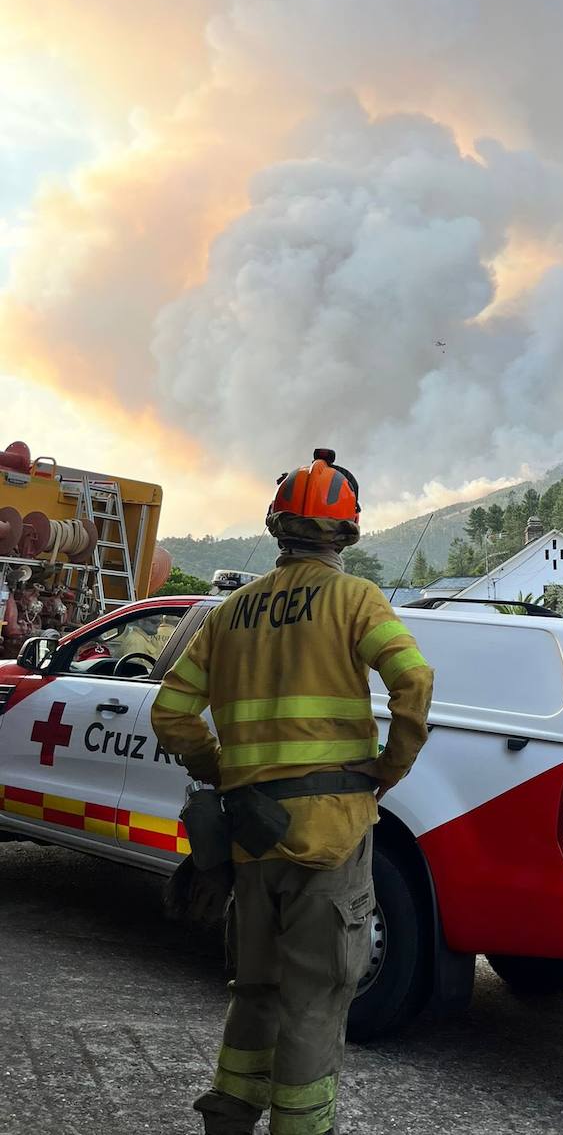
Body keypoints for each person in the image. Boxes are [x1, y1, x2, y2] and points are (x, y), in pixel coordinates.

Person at [152, 449, 434, 1135]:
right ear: (346, 532)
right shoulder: (356, 599)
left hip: (251, 833)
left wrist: (223, 773)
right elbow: (414, 683)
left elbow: (171, 711)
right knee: (314, 996)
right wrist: (386, 771)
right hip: (330, 835)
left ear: (277, 525)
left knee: (254, 988)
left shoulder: (230, 612)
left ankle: (229, 1113)